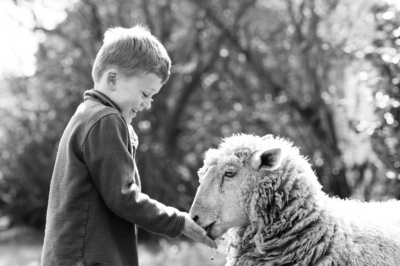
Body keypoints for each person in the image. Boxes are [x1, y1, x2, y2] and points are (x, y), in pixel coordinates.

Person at [41, 25, 217, 266]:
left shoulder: (86, 115)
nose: (148, 104)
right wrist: (177, 221)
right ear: (113, 79)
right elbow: (123, 197)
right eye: (145, 94)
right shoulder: (105, 120)